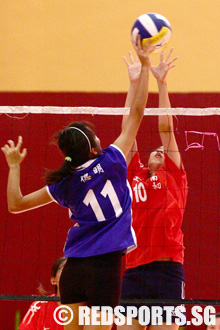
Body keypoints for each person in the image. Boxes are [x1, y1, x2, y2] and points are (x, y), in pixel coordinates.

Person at [2, 36, 155, 330]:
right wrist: (145, 65)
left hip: (72, 271)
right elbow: (135, 115)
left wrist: (14, 166)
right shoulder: (112, 161)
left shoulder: (65, 183)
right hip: (104, 270)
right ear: (95, 149)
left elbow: (15, 204)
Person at [118, 48, 188, 330]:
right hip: (134, 269)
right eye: (155, 150)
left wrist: (161, 82)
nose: (160, 150)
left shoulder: (175, 175)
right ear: (145, 159)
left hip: (166, 268)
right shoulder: (134, 174)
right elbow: (128, 133)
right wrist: (134, 84)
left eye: (164, 151)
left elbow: (166, 131)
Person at [19, 257, 67, 330]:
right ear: (53, 280)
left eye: (75, 271)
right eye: (64, 269)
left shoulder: (86, 308)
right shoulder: (39, 305)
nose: (70, 274)